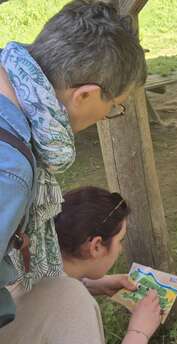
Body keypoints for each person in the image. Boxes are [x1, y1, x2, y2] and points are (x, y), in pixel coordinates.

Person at [0, 0, 146, 326]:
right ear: (85, 95)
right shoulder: (9, 172)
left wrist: (85, 283)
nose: (107, 117)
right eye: (114, 107)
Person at [0, 186, 162, 344]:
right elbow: (61, 300)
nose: (121, 249)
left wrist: (94, 285)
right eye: (120, 241)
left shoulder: (21, 258)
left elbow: (45, 294)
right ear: (96, 246)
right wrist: (139, 332)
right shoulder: (73, 301)